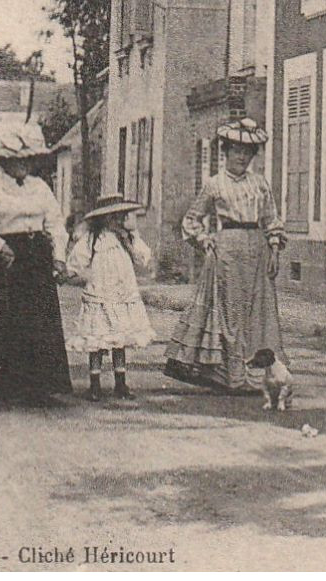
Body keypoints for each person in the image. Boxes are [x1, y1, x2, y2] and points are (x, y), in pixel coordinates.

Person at [164, 117, 287, 394]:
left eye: (247, 152)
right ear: (226, 151)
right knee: (231, 313)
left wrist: (275, 248)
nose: (241, 156)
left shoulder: (260, 184)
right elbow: (192, 219)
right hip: (228, 249)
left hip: (257, 249)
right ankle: (231, 376)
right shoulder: (214, 184)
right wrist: (205, 240)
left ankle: (258, 377)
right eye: (236, 150)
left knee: (258, 312)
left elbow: (271, 219)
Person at [0, 123, 72, 408]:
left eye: (27, 160)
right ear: (4, 161)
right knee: (2, 319)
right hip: (7, 260)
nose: (22, 166)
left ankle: (38, 386)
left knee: (37, 319)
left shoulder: (41, 188)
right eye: (16, 161)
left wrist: (58, 256)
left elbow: (56, 222)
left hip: (37, 259)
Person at [65, 194, 155, 402]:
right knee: (97, 338)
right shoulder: (93, 238)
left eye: (120, 217)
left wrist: (132, 238)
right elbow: (78, 259)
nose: (116, 221)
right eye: (112, 217)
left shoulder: (128, 238)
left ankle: (120, 383)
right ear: (102, 219)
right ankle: (94, 385)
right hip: (100, 291)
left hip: (121, 293)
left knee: (119, 337)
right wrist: (70, 272)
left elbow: (143, 258)